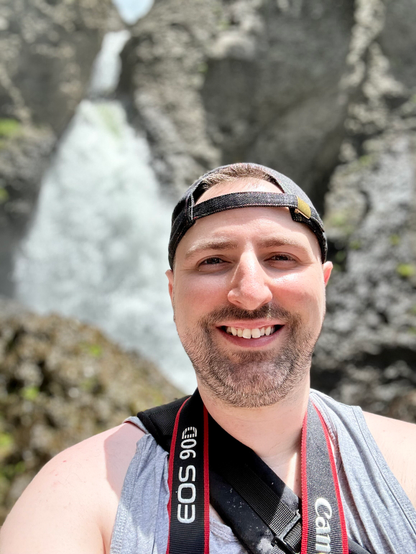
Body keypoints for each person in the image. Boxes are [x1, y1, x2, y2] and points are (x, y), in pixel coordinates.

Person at [1, 162, 416, 554]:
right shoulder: (77, 493)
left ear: (323, 285)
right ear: (172, 293)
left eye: (281, 258)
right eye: (213, 260)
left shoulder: (408, 465)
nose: (250, 292)